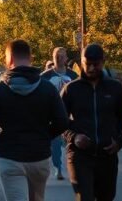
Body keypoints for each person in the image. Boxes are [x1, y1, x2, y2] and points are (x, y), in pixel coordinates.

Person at [0, 40, 68, 201]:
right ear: (31, 58)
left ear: (10, 58)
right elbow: (62, 121)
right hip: (39, 155)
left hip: (9, 155)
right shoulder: (47, 88)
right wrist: (45, 135)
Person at [61, 44, 122, 201]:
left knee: (106, 197)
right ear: (81, 62)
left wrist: (119, 141)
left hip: (107, 156)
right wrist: (74, 136)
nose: (90, 68)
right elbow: (60, 122)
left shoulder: (115, 88)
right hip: (80, 156)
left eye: (95, 64)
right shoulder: (71, 89)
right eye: (86, 64)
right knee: (85, 197)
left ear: (103, 61)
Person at [40, 46, 78, 181]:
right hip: (52, 115)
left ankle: (71, 164)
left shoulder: (73, 76)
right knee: (55, 142)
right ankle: (58, 167)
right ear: (53, 58)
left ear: (66, 58)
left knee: (68, 142)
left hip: (69, 114)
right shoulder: (45, 76)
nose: (60, 59)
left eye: (62, 56)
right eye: (57, 56)